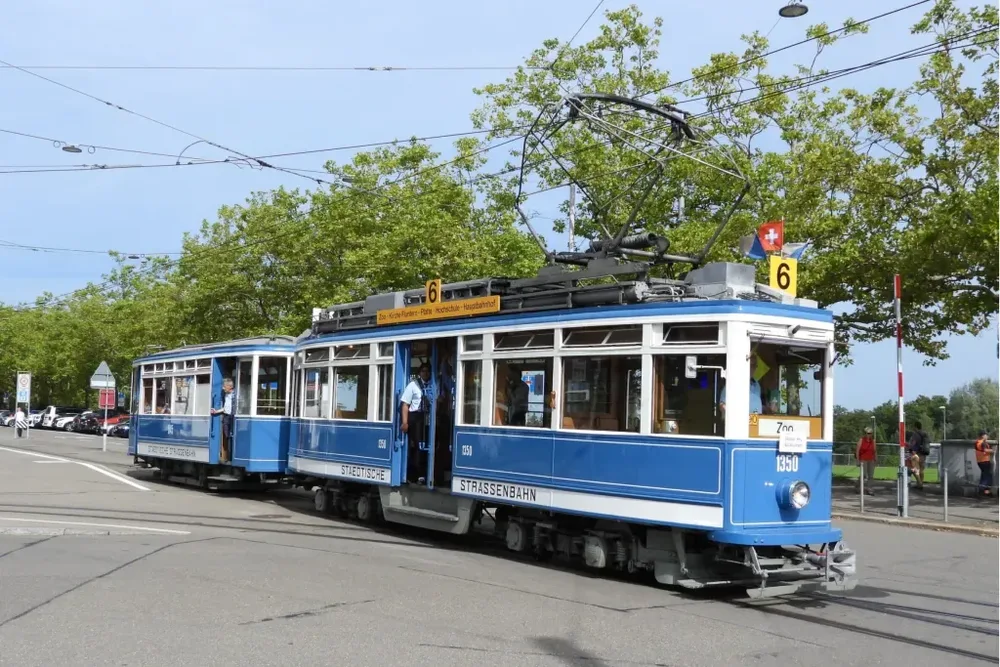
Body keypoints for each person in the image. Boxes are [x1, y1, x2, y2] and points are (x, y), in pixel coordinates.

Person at [400, 364, 431, 483]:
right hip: (415, 417)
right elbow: (405, 404)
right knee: (417, 446)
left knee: (427, 445)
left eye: (427, 371)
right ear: (419, 373)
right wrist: (405, 422)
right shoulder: (413, 385)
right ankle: (418, 474)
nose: (425, 373)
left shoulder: (431, 385)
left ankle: (427, 473)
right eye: (423, 371)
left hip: (427, 417)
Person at [211, 378, 235, 464]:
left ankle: (231, 457)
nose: (223, 388)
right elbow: (226, 407)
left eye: (224, 387)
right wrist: (216, 411)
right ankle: (227, 456)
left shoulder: (234, 395)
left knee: (232, 435)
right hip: (226, 417)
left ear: (230, 386)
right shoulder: (226, 395)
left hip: (232, 417)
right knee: (226, 435)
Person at [907, 420, 930, 489]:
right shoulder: (925, 433)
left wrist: (910, 449)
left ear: (915, 427)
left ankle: (919, 483)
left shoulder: (915, 434)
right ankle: (921, 483)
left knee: (915, 469)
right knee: (922, 469)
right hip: (924, 453)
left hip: (917, 453)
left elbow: (913, 443)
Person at [856, 426, 876, 495]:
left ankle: (869, 488)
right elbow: (857, 451)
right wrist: (858, 460)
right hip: (863, 459)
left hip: (871, 459)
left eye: (870, 433)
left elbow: (875, 451)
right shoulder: (861, 440)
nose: (869, 434)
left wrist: (876, 459)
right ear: (865, 433)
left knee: (871, 475)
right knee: (863, 474)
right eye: (868, 433)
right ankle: (858, 487)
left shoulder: (873, 441)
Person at [974, 429, 993, 497]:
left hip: (980, 461)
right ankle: (981, 491)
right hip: (984, 461)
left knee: (984, 476)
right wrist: (993, 450)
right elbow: (985, 450)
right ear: (983, 436)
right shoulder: (982, 443)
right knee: (987, 477)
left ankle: (985, 491)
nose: (987, 436)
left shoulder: (977, 442)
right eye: (986, 435)